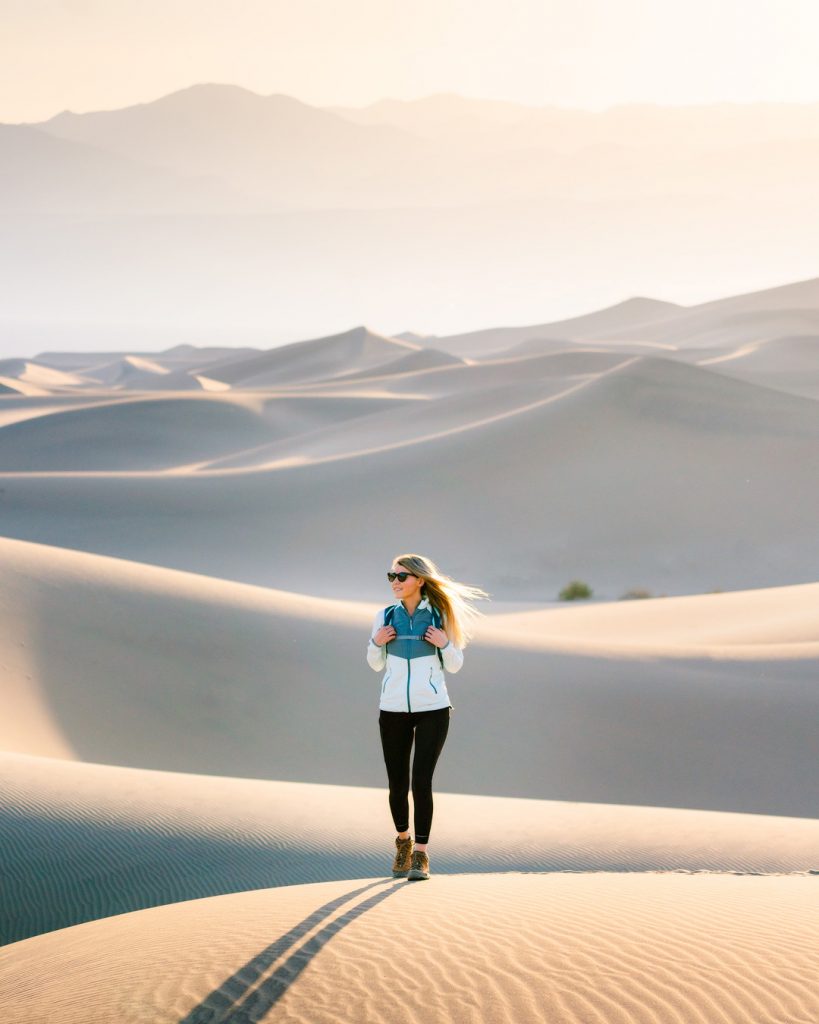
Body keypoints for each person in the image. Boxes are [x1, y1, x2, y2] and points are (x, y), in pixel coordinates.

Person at [367, 553, 489, 880]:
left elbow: (455, 665)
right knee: (397, 783)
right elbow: (375, 664)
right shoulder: (384, 616)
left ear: (419, 580)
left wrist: (445, 643)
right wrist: (375, 642)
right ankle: (403, 842)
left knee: (421, 782)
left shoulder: (438, 615)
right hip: (392, 710)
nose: (395, 582)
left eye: (401, 577)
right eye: (391, 576)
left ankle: (420, 854)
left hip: (433, 709)